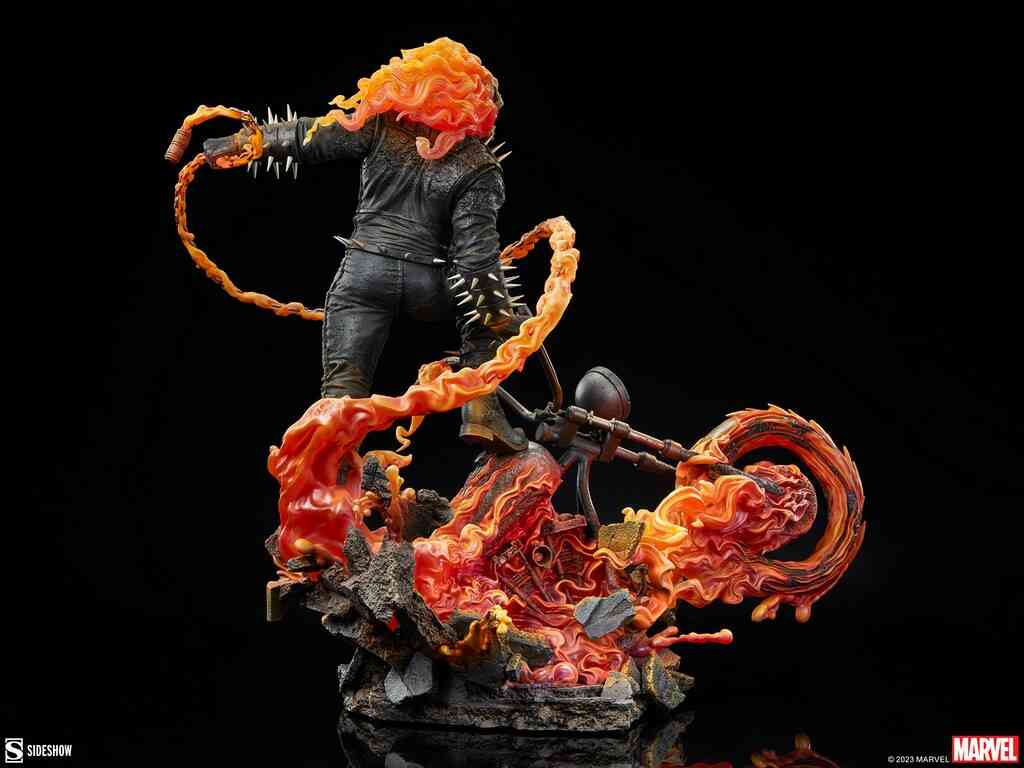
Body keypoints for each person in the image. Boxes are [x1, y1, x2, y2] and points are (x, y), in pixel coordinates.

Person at [202, 37, 527, 452]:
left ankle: (330, 465)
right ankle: (482, 411)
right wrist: (501, 320)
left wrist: (248, 142)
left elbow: (311, 135)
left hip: (362, 275)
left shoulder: (382, 124)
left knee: (342, 393)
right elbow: (475, 260)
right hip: (429, 284)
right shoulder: (480, 165)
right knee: (483, 320)